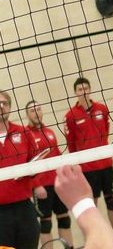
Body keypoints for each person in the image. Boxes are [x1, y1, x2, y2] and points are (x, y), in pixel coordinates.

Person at [64, 77, 113, 249]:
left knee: (112, 201)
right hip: (86, 168)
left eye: (86, 88)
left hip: (105, 164)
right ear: (75, 93)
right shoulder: (70, 116)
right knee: (90, 207)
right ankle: (95, 243)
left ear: (90, 89)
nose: (84, 92)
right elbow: (71, 144)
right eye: (80, 89)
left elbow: (106, 131)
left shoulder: (102, 109)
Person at [25, 99, 74, 249]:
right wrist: (36, 185)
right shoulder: (26, 134)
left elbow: (58, 155)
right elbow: (27, 163)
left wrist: (65, 177)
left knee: (64, 219)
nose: (37, 113)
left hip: (57, 184)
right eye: (32, 110)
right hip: (42, 186)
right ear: (27, 114)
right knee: (45, 224)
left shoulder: (50, 132)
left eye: (38, 109)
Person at [0, 90, 41, 249]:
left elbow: (35, 163)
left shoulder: (23, 132)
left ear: (10, 107)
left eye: (4, 103)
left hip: (24, 207)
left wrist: (32, 171)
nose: (1, 106)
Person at [54, 164, 113, 249]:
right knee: (51, 223)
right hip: (89, 170)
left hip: (104, 166)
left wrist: (81, 204)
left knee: (111, 202)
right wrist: (83, 203)